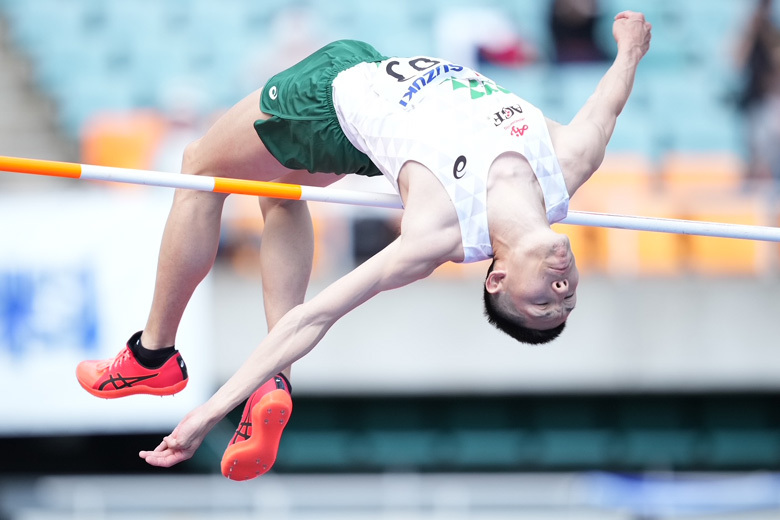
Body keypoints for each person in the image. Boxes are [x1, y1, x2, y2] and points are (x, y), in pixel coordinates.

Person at [76, 11, 652, 480]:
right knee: (279, 193)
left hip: (327, 102)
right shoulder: (571, 163)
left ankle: (153, 356)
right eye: (566, 304)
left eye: (542, 305)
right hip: (371, 90)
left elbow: (316, 317)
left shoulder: (439, 232)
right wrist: (629, 48)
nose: (561, 294)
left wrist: (206, 413)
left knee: (198, 168)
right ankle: (272, 386)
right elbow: (611, 101)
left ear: (495, 278)